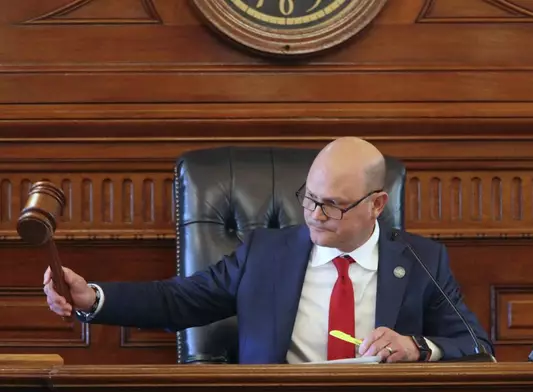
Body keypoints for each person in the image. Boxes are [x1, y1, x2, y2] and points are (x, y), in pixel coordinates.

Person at [44, 137, 493, 364]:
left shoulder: (420, 261)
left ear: (377, 204)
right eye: (310, 197)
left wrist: (417, 347)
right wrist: (93, 298)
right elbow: (178, 300)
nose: (315, 214)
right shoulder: (265, 253)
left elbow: (477, 347)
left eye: (333, 205)